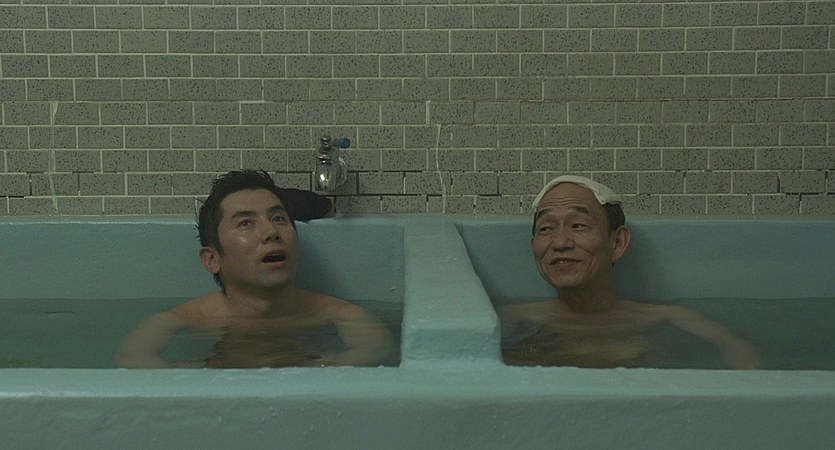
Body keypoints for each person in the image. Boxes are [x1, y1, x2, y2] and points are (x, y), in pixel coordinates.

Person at [115, 170, 393, 368]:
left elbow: (377, 346)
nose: (271, 231)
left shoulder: (336, 312)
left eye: (279, 218)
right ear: (212, 259)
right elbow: (132, 357)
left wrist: (317, 373)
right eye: (246, 223)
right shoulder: (185, 318)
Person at [498, 175, 761, 369]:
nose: (560, 242)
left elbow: (736, 351)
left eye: (578, 225)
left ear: (618, 243)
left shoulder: (669, 319)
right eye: (546, 229)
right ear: (534, 245)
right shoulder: (514, 320)